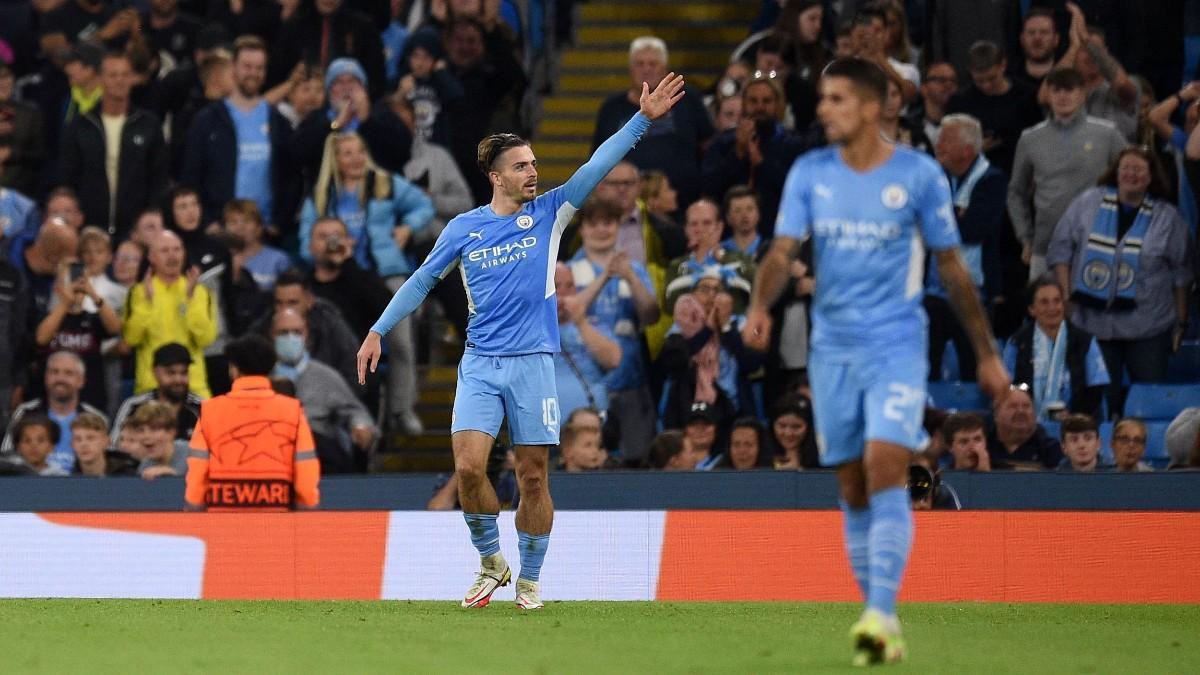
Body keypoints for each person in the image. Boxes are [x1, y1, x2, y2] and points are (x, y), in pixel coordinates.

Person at [357, 71, 687, 611]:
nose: (533, 172)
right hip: (481, 363)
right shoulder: (463, 228)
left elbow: (595, 166)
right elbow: (420, 281)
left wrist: (641, 121)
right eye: (522, 166)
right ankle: (491, 561)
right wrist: (377, 330)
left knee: (532, 475)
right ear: (495, 177)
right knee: (468, 468)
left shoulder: (551, 212)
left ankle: (530, 579)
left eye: (534, 164)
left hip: (534, 362)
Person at [741, 57, 1010, 665]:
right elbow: (783, 251)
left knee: (886, 462)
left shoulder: (918, 175)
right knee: (851, 482)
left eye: (835, 99)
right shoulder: (810, 172)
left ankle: (880, 614)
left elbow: (951, 266)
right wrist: (761, 302)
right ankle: (878, 617)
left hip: (895, 341)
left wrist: (987, 355)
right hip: (830, 345)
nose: (822, 108)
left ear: (870, 105)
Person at [1047, 146, 1193, 415]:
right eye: (1126, 168)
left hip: (1149, 327)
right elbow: (1060, 250)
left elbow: (1181, 274)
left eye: (1139, 170)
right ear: (1115, 172)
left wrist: (1181, 322)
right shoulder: (1086, 203)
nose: (1131, 174)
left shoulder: (1168, 217)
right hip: (1093, 324)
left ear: (1151, 177)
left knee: (1149, 403)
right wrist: (1066, 298)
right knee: (1098, 402)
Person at [1008, 67, 1127, 279]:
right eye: (1056, 90)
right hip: (1045, 246)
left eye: (1069, 89)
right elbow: (1016, 191)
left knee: (1096, 311)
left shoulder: (1106, 133)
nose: (1062, 96)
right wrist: (1025, 236)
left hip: (1098, 244)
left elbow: (1132, 178)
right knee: (1046, 309)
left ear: (1082, 94)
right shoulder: (1030, 138)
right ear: (1049, 94)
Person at [565, 197, 660, 461]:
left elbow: (651, 315)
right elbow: (567, 313)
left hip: (630, 383)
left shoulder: (635, 270)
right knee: (583, 459)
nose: (602, 230)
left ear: (618, 227)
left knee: (637, 459)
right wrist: (605, 276)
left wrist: (629, 276)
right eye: (593, 224)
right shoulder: (568, 272)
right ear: (582, 229)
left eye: (608, 223)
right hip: (586, 386)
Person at [186, 334, 321, 510]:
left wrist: (193, 507)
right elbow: (305, 468)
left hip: (223, 517)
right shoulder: (292, 410)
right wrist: (307, 507)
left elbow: (198, 470)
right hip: (276, 517)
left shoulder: (210, 410)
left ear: (234, 369)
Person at [183, 35, 296, 232]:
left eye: (259, 68)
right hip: (220, 231)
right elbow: (192, 176)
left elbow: (291, 178)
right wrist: (208, 222)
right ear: (233, 67)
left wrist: (278, 223)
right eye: (247, 66)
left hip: (265, 233)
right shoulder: (207, 120)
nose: (253, 73)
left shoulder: (279, 122)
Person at [926, 114, 1007, 382]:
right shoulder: (933, 179)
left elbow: (974, 228)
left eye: (947, 139)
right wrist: (955, 214)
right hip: (932, 294)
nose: (939, 144)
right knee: (927, 370)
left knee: (975, 369)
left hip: (975, 293)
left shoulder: (992, 180)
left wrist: (938, 221)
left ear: (968, 150)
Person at [591, 37, 713, 211]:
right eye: (640, 64)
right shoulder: (611, 108)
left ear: (665, 69)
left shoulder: (687, 99)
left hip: (683, 205)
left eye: (652, 64)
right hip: (624, 208)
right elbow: (598, 161)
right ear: (630, 69)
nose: (646, 69)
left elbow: (708, 146)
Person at [57, 51, 168, 238]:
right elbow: (67, 176)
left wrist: (150, 215)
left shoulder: (149, 124)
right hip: (90, 228)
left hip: (135, 230)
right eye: (113, 75)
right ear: (100, 79)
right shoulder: (80, 126)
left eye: (125, 75)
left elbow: (158, 177)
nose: (120, 81)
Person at [271, 307, 376, 473]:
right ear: (272, 336)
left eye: (297, 332)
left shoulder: (325, 376)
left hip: (319, 453)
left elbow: (354, 410)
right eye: (283, 333)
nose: (290, 338)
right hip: (271, 450)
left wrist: (360, 425)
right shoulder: (262, 375)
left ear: (307, 335)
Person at [701, 74, 808, 234]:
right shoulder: (722, 143)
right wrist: (738, 152)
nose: (760, 107)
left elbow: (799, 191)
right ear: (743, 103)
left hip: (777, 232)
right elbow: (708, 187)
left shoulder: (794, 144)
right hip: (728, 237)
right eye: (753, 101)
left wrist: (763, 163)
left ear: (778, 105)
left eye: (766, 101)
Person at [123, 230, 218, 398]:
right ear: (151, 257)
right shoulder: (138, 292)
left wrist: (190, 300)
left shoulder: (200, 292)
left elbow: (206, 339)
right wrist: (147, 302)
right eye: (165, 251)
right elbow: (131, 339)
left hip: (193, 386)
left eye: (177, 249)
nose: (172, 256)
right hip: (151, 387)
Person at [1002, 277, 1110, 422]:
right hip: (1027, 423)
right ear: (1032, 309)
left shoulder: (1085, 341)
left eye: (1057, 301)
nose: (1052, 308)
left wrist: (1074, 417)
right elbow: (1011, 386)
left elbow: (1095, 389)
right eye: (1044, 302)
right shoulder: (1018, 342)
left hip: (1076, 427)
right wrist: (1027, 390)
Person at [943, 41, 1043, 176]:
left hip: (1021, 175)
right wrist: (974, 150)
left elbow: (1040, 140)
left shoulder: (1027, 96)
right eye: (979, 80)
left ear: (1003, 65)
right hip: (976, 178)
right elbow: (947, 150)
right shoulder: (959, 103)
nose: (986, 86)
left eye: (992, 78)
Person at [1, 351, 108, 472]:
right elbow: (7, 457)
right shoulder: (26, 412)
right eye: (54, 372)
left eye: (68, 373)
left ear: (81, 380)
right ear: (46, 378)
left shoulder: (95, 417)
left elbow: (107, 462)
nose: (60, 378)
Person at [663, 199, 755, 314]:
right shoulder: (677, 265)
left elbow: (758, 288)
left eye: (707, 223)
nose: (700, 229)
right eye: (693, 224)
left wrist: (721, 257)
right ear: (686, 229)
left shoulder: (741, 260)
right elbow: (669, 306)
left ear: (719, 227)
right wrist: (699, 262)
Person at [109, 342, 203, 445]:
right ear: (155, 372)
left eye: (183, 373)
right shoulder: (134, 406)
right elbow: (115, 446)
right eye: (171, 373)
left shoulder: (201, 407)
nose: (178, 379)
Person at [985, 385, 1063, 469]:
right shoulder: (984, 447)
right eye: (1013, 406)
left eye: (1026, 406)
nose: (1021, 411)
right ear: (996, 414)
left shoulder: (1051, 450)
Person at [223, 199, 290, 291]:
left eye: (246, 221)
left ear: (259, 227)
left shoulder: (278, 260)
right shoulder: (218, 257)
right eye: (233, 222)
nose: (240, 227)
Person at [131, 399, 189, 480]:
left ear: (171, 432)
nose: (146, 436)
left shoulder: (193, 454)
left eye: (154, 429)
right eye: (141, 430)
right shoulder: (145, 467)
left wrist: (174, 476)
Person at [71, 411, 138, 477]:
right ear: (72, 445)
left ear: (106, 442)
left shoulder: (128, 476)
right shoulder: (68, 479)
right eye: (78, 439)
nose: (83, 444)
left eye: (91, 438)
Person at [1009, 8, 1059, 92]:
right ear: (1022, 39)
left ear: (1056, 39)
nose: (1037, 38)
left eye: (1044, 32)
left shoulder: (1070, 74)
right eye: (1031, 32)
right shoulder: (1008, 77)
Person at [769, 395, 818, 469]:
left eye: (796, 427)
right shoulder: (760, 455)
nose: (788, 433)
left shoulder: (823, 459)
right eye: (782, 426)